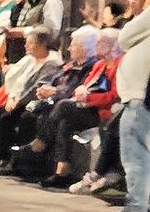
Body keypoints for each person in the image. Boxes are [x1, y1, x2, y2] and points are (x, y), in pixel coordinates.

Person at [9, 30, 97, 181]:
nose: (69, 48)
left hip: (83, 108)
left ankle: (40, 146)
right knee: (40, 116)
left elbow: (77, 90)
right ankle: (40, 168)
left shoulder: (91, 66)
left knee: (57, 113)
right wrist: (45, 90)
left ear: (85, 48)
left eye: (73, 45)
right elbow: (55, 80)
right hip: (59, 104)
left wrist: (55, 91)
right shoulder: (70, 65)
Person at [39, 30, 121, 188]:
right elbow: (86, 86)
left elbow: (114, 96)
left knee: (63, 106)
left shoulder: (118, 65)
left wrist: (87, 98)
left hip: (107, 111)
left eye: (100, 42)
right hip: (92, 109)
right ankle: (61, 171)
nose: (96, 45)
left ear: (111, 46)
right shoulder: (99, 65)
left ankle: (42, 139)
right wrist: (81, 92)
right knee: (65, 122)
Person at [102, 0, 150, 212]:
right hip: (140, 96)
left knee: (135, 155)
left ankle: (136, 209)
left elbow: (124, 37)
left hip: (141, 96)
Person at [0, 29, 62, 168]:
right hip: (20, 100)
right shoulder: (30, 60)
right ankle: (1, 156)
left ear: (41, 44)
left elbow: (36, 88)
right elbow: (17, 80)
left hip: (35, 103)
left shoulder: (52, 63)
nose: (25, 46)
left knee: (10, 118)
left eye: (30, 43)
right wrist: (12, 98)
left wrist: (17, 102)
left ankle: (13, 161)